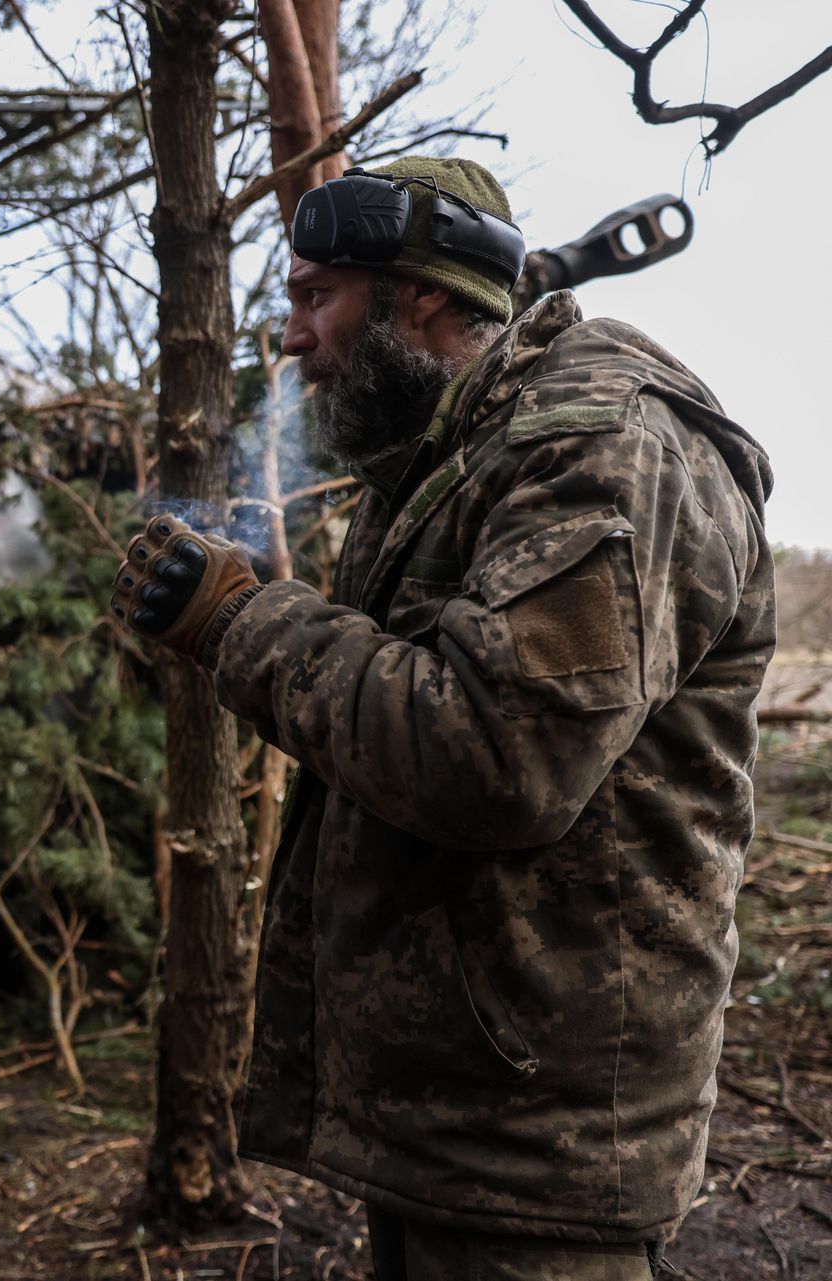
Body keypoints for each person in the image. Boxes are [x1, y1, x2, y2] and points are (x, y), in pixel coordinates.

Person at [112, 156, 775, 1279]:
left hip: (540, 1145)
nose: (290, 336)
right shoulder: (454, 456)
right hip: (459, 1114)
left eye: (317, 295)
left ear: (421, 295)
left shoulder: (598, 450)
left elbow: (496, 757)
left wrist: (239, 624)